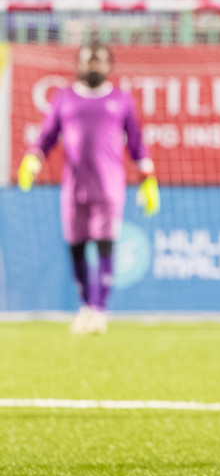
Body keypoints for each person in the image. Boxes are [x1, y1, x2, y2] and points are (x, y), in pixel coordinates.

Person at [17, 41, 159, 333]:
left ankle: (99, 310)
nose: (93, 65)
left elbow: (136, 141)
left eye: (99, 60)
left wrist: (148, 177)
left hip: (109, 187)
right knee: (77, 248)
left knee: (105, 247)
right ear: (78, 64)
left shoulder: (121, 99)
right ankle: (85, 307)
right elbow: (47, 136)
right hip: (74, 187)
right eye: (87, 60)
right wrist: (33, 159)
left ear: (109, 65)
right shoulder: (64, 98)